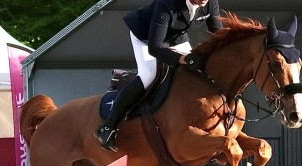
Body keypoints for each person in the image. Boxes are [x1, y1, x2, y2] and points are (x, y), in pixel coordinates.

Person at [95, 0, 222, 151]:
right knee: (149, 75)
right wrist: (180, 59)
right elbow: (155, 48)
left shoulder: (211, 2)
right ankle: (108, 127)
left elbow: (219, 35)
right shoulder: (167, 3)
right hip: (145, 34)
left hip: (175, 35)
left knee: (194, 71)